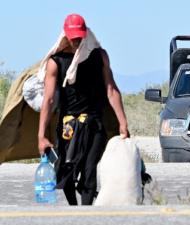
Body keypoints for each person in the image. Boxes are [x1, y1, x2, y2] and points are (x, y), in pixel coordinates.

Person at [38, 14, 129, 205]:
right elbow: (48, 98)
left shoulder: (99, 56)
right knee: (66, 171)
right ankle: (73, 207)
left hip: (94, 123)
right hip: (68, 126)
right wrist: (41, 135)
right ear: (65, 35)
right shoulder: (56, 61)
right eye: (73, 36)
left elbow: (111, 89)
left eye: (79, 36)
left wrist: (123, 123)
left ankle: (87, 210)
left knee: (89, 170)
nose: (76, 40)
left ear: (86, 33)